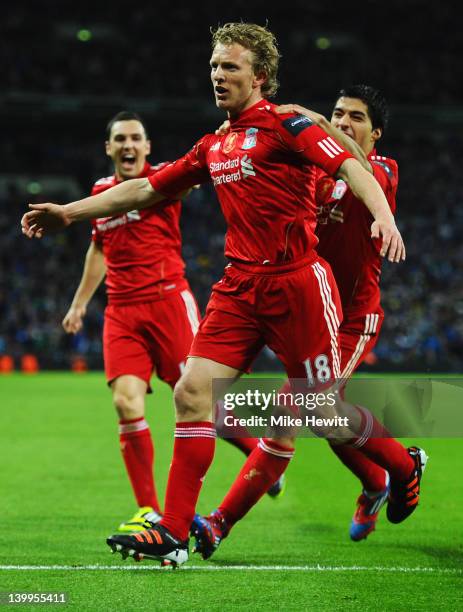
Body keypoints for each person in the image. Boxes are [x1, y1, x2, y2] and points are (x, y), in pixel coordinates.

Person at [22, 23, 420, 569]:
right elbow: (147, 188)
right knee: (190, 392)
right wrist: (69, 212)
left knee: (321, 411)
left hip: (297, 283)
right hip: (238, 287)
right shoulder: (215, 144)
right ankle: (173, 531)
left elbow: (350, 164)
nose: (217, 75)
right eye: (213, 66)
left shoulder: (288, 124)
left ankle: (402, 467)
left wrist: (383, 216)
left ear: (259, 76)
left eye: (229, 67)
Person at [191, 86, 428, 558]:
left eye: (354, 117)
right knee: (326, 419)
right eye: (337, 113)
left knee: (292, 414)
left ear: (375, 132)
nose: (341, 123)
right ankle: (379, 479)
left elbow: (357, 167)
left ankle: (403, 467)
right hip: (303, 309)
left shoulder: (381, 171)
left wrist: (308, 116)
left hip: (351, 320)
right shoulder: (313, 171)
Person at [62, 111, 202, 532]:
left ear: (147, 146)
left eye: (135, 138)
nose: (128, 145)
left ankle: (260, 460)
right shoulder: (101, 192)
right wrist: (79, 303)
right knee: (125, 401)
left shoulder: (163, 180)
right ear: (109, 148)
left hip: (168, 304)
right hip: (121, 312)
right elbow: (99, 251)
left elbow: (194, 177)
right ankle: (149, 511)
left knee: (198, 400)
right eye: (120, 139)